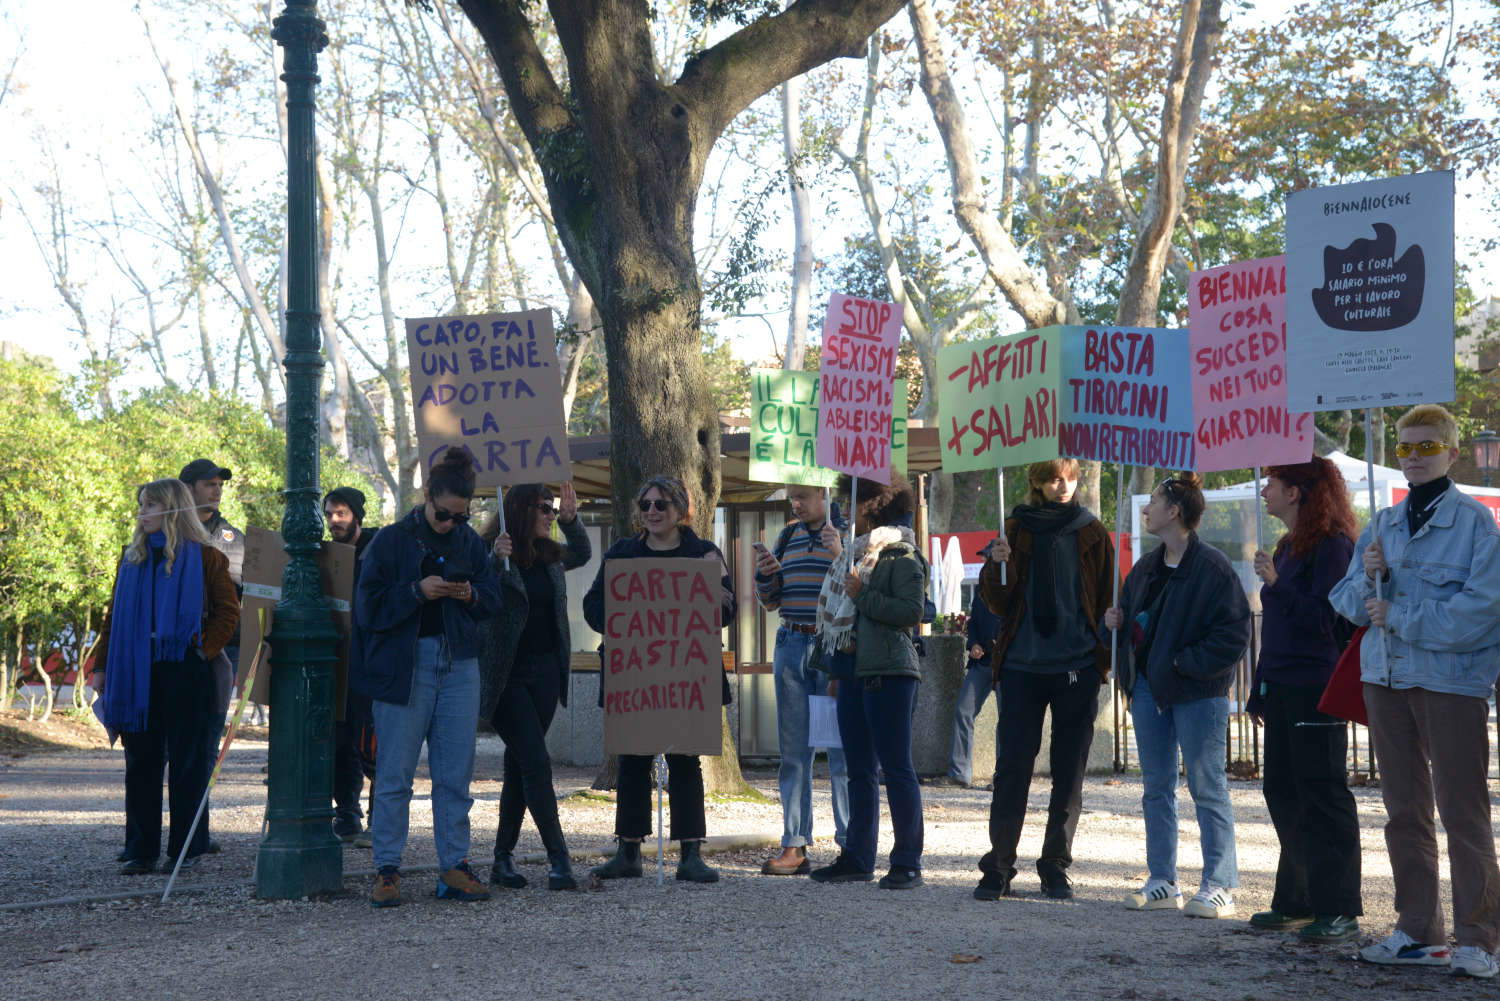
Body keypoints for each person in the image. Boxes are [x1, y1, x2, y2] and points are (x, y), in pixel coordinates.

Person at [1330, 405, 1500, 977]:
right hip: (1386, 679)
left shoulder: (1477, 524)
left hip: (1450, 681)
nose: (1413, 457)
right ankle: (1416, 929)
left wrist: (1400, 613)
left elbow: (1480, 612)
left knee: (1463, 811)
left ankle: (1480, 937)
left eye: (1427, 447)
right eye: (1405, 448)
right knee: (1404, 812)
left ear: (1452, 452)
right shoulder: (1381, 523)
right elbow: (1348, 604)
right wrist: (1367, 573)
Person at [350, 448, 502, 908]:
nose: (450, 524)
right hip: (406, 665)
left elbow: (494, 599)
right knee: (394, 773)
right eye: (443, 515)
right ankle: (387, 870)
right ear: (426, 497)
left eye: (460, 517)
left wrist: (471, 593)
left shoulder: (470, 542)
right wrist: (417, 592)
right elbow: (367, 607)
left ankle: (454, 867)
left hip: (459, 663)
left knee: (454, 776)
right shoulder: (391, 541)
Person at [1104, 471, 1249, 918]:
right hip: (1149, 689)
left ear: (1176, 511)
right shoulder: (1147, 566)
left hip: (1196, 692)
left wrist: (1186, 665)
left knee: (1208, 786)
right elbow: (1133, 620)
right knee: (1156, 787)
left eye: (1154, 501)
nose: (1146, 508)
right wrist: (1115, 622)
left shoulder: (1212, 568)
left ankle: (1220, 883)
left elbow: (1233, 634)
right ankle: (1163, 880)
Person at [973, 458, 1114, 901]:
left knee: (1069, 772)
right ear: (1036, 482)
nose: (1064, 486)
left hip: (1077, 665)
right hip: (1021, 666)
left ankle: (1055, 864)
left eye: (1070, 479)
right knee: (1012, 769)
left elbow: (1110, 593)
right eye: (1055, 479)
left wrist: (1102, 655)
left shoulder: (1092, 530)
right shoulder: (1013, 528)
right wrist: (997, 564)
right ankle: (998, 866)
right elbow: (997, 602)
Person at [582, 475, 735, 884]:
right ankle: (628, 851)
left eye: (661, 505)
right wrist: (619, 603)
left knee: (686, 761)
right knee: (633, 759)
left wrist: (717, 592)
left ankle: (691, 854)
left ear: (680, 510)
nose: (652, 512)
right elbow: (593, 608)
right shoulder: (622, 554)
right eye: (646, 504)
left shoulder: (704, 553)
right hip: (636, 674)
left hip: (688, 674)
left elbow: (728, 611)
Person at [93, 478, 240, 875]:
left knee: (188, 761)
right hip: (136, 668)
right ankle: (141, 849)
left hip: (185, 668)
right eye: (141, 506)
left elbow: (228, 613)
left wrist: (201, 651)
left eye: (149, 506)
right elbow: (113, 621)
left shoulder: (208, 558)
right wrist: (102, 667)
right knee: (141, 759)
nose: (141, 513)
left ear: (172, 509)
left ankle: (185, 850)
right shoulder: (132, 557)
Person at [1246, 457, 1363, 944]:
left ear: (1296, 492)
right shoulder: (1288, 546)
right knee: (1284, 792)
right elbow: (1276, 629)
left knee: (1322, 794)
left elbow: (1327, 619)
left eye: (1272, 483)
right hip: (1282, 685)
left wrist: (1277, 584)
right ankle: (1296, 899)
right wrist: (1260, 686)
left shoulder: (1332, 547)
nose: (1264, 491)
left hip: (1316, 686)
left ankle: (1338, 908)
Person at [808, 474, 928, 890]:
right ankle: (857, 857)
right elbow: (842, 622)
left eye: (851, 502)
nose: (844, 509)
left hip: (890, 674)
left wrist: (862, 594)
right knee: (858, 770)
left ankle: (907, 861)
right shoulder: (852, 555)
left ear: (872, 506)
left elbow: (912, 612)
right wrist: (836, 674)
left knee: (896, 769)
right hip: (852, 673)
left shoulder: (902, 554)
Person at [479, 482, 590, 891]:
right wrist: (493, 561)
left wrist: (571, 520)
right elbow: (474, 590)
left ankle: (501, 860)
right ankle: (559, 860)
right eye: (543, 508)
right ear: (521, 511)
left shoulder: (549, 556)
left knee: (520, 766)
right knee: (537, 763)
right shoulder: (492, 552)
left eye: (551, 507)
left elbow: (583, 552)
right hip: (506, 676)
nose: (549, 514)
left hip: (546, 672)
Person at [752, 483, 850, 875]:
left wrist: (839, 553)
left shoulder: (848, 533)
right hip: (791, 644)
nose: (796, 503)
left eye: (804, 496)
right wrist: (765, 576)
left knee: (840, 751)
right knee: (794, 753)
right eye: (794, 497)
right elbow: (771, 600)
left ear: (825, 496)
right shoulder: (788, 535)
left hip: (830, 649)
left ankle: (850, 843)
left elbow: (858, 592)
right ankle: (794, 844)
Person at [179, 457, 244, 857]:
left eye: (219, 483)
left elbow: (237, 597)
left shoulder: (231, 538)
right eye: (208, 483)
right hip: (171, 647)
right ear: (187, 489)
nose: (216, 489)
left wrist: (210, 648)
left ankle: (195, 835)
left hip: (217, 648)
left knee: (204, 741)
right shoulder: (170, 531)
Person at [324, 486, 380, 844]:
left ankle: (382, 817)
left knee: (376, 743)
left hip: (373, 661)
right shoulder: (325, 553)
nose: (334, 521)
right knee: (340, 740)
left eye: (341, 513)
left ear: (356, 514)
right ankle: (347, 811)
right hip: (339, 660)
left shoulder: (378, 548)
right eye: (329, 514)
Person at [938, 585, 1000, 789]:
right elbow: (973, 625)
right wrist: (973, 644)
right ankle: (959, 774)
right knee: (963, 711)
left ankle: (1004, 776)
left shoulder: (1018, 584)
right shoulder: (982, 590)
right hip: (981, 663)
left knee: (1009, 720)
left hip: (1009, 664)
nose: (986, 560)